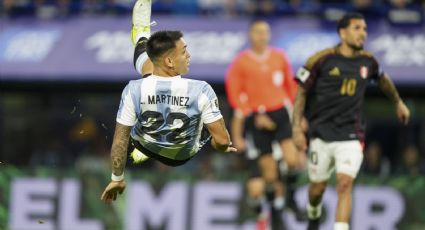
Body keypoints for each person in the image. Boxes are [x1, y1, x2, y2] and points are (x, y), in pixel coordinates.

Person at [100, 0, 236, 204]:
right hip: (184, 153)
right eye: (184, 52)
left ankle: (141, 36)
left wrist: (117, 178)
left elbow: (120, 141)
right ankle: (141, 36)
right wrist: (222, 147)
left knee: (148, 72)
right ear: (170, 61)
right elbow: (223, 142)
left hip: (145, 145)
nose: (188, 56)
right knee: (203, 117)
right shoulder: (201, 89)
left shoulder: (133, 89)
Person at [291, 12, 410, 230]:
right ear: (342, 33)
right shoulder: (321, 60)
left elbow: (383, 80)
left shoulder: (368, 61)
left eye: (364, 29)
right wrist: (297, 128)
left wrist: (398, 102)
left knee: (344, 184)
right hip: (320, 133)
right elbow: (301, 92)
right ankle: (314, 215)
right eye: (357, 28)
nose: (363, 33)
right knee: (317, 189)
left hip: (351, 134)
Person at [225, 19, 303, 229]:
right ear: (251, 35)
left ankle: (291, 197)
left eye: (266, 32)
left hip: (279, 112)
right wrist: (253, 112)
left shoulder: (279, 57)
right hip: (257, 118)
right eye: (258, 32)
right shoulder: (241, 62)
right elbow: (234, 93)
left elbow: (291, 88)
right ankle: (275, 213)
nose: (262, 36)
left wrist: (298, 116)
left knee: (293, 159)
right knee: (269, 175)